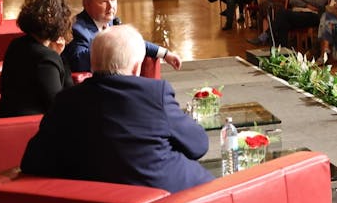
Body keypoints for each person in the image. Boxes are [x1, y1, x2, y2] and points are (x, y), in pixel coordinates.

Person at [20, 25, 211, 194]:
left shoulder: (66, 100)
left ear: (93, 64)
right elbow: (198, 145)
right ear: (137, 68)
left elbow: (33, 161)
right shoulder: (155, 94)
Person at [64, 0, 181, 74]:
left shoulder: (112, 21)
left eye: (113, 0)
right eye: (103, 2)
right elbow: (79, 61)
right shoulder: (78, 28)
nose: (111, 6)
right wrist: (111, 42)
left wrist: (165, 54)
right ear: (86, 4)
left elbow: (131, 42)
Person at [0, 0, 75, 117]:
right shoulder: (46, 58)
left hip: (11, 120)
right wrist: (58, 56)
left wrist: (57, 55)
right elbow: (60, 105)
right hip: (32, 126)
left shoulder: (16, 44)